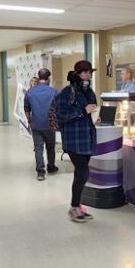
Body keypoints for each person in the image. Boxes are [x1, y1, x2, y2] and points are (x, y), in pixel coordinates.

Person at [55, 61, 98, 222]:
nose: (88, 75)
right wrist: (82, 112)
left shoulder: (89, 92)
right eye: (85, 72)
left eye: (90, 72)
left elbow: (92, 109)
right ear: (77, 73)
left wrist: (94, 117)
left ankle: (77, 205)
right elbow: (61, 116)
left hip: (87, 139)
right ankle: (74, 207)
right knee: (83, 173)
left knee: (80, 173)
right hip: (74, 141)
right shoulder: (66, 93)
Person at [24, 68, 58, 181]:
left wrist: (30, 121)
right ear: (48, 78)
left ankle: (40, 172)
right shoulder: (53, 91)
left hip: (36, 124)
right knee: (50, 147)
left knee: (38, 148)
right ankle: (51, 167)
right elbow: (58, 108)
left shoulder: (30, 92)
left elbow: (27, 109)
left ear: (39, 78)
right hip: (50, 125)